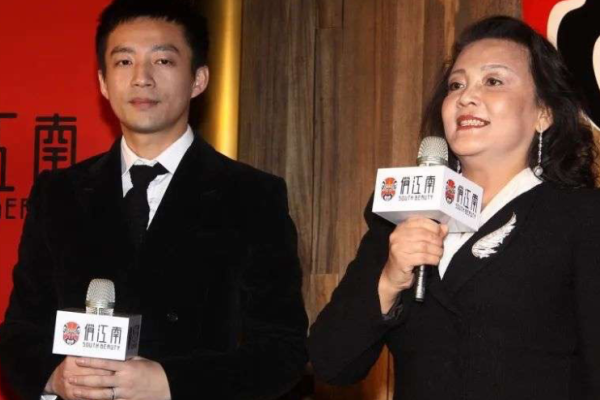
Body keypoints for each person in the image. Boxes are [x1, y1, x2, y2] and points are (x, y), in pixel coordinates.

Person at [0, 1, 308, 399]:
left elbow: (282, 351)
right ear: (103, 82)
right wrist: (55, 377)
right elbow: (20, 334)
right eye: (124, 62)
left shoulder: (252, 196)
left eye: (162, 61)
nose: (141, 78)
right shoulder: (59, 194)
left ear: (198, 79)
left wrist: (168, 383)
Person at [309, 15, 600, 400]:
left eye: (493, 81)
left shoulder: (582, 216)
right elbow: (330, 362)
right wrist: (389, 280)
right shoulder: (402, 210)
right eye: (456, 85)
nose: (466, 97)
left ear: (543, 113)